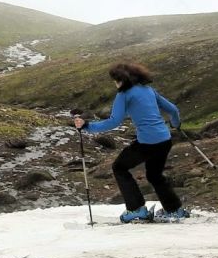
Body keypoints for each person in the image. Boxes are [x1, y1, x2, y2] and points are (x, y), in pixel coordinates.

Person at [74, 62, 189, 223]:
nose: (115, 83)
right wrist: (176, 124)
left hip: (148, 143)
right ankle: (174, 210)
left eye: (115, 79)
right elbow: (173, 110)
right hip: (164, 140)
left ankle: (136, 210)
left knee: (119, 167)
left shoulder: (124, 94)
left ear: (121, 79)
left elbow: (114, 121)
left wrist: (87, 126)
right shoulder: (148, 90)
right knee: (155, 175)